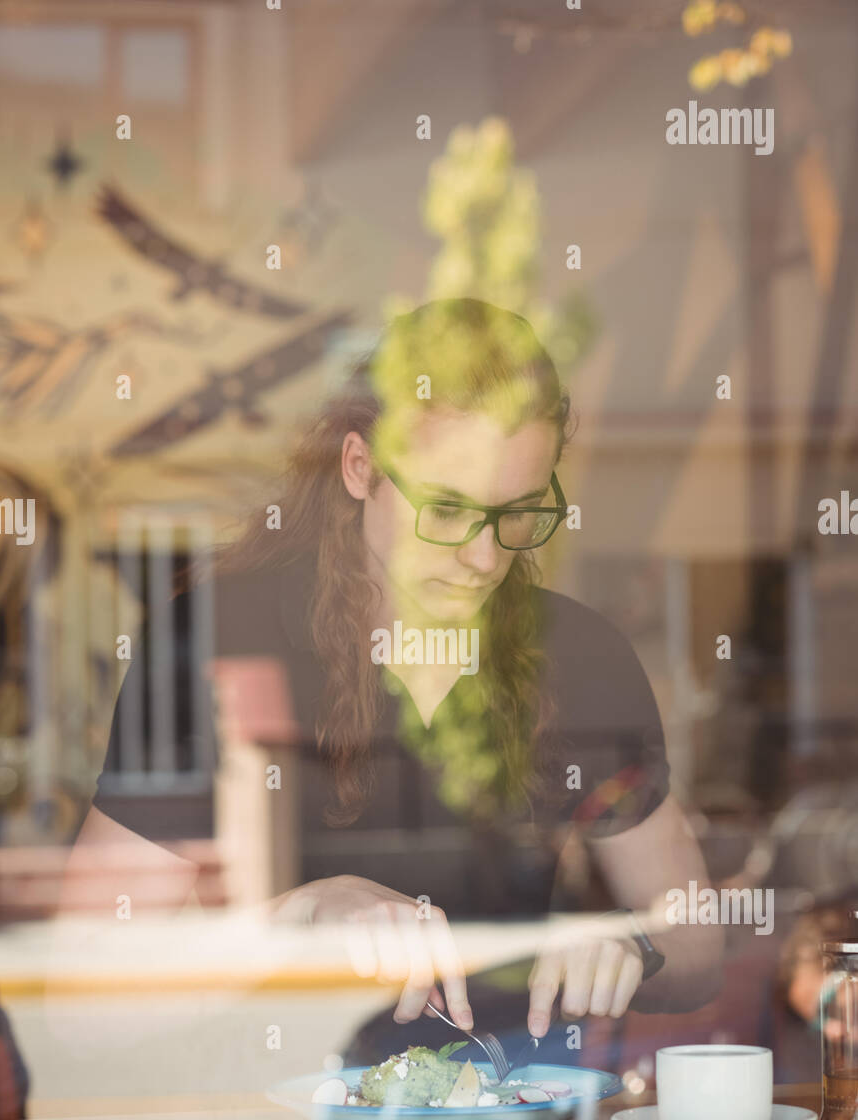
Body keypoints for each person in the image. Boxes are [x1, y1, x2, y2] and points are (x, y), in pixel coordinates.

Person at [72, 298, 723, 1047]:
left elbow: (698, 953)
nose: (484, 558)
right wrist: (292, 919)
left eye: (516, 514)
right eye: (445, 510)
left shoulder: (579, 655)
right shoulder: (217, 639)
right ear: (360, 468)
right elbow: (84, 996)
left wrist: (627, 948)